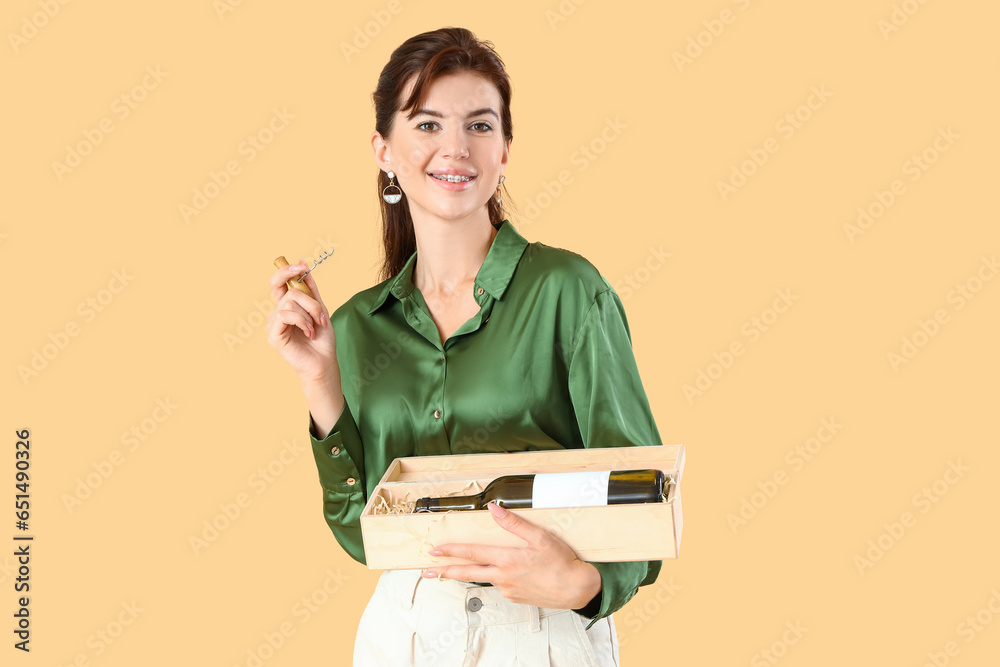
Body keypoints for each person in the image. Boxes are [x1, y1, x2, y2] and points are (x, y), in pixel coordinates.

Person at [266, 26, 663, 666]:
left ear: (505, 149)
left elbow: (642, 490)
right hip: (405, 637)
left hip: (544, 636)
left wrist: (588, 583)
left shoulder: (567, 291)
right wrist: (320, 382)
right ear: (383, 150)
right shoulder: (357, 327)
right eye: (426, 125)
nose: (455, 148)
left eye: (479, 126)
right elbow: (363, 534)